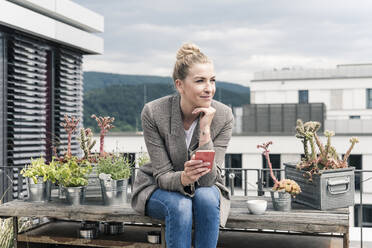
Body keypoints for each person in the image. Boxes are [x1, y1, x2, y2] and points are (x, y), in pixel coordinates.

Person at [131, 43, 234, 248]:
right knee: (180, 205)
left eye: (212, 80)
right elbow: (161, 175)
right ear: (180, 85)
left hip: (207, 187)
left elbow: (209, 180)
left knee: (205, 197)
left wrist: (205, 131)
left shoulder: (223, 116)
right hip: (158, 186)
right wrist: (184, 178)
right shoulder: (153, 112)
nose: (209, 88)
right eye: (200, 81)